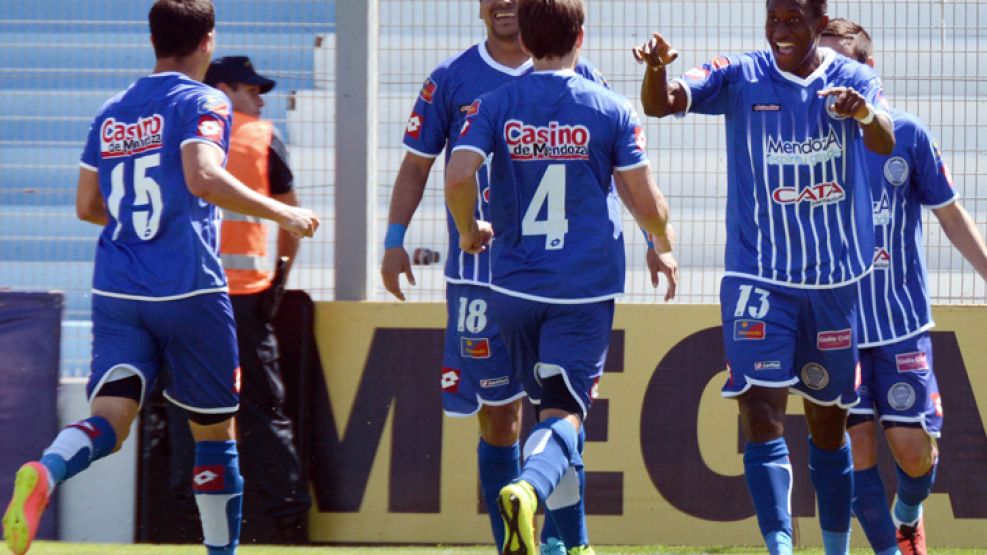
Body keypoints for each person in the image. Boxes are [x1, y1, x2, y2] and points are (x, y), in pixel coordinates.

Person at [1, 2, 318, 554]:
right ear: (207, 41)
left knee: (111, 418)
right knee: (215, 432)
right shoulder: (202, 99)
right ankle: (221, 552)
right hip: (189, 288)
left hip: (119, 288)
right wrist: (282, 214)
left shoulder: (114, 109)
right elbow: (202, 176)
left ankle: (48, 470)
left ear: (153, 39)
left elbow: (86, 206)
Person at [632, 0, 896, 553]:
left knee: (828, 429)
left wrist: (864, 114)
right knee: (758, 408)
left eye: (793, 20)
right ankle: (779, 547)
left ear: (820, 22)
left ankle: (833, 547)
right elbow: (661, 105)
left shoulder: (851, 79)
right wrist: (656, 70)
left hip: (832, 286)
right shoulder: (740, 75)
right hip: (758, 279)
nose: (780, 31)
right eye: (773, 19)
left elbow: (885, 139)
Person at [380, 0, 633, 552]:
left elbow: (605, 169)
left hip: (554, 276)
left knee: (555, 411)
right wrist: (395, 241)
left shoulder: (580, 78)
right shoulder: (451, 78)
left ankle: (564, 544)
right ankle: (512, 545)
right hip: (479, 277)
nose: (502, 5)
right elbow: (417, 165)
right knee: (501, 420)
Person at [446, 0, 678, 552]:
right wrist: (661, 244)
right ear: (582, 34)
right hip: (581, 288)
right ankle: (525, 492)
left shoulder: (495, 102)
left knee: (547, 412)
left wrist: (466, 229)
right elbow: (645, 202)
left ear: (523, 40)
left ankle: (569, 546)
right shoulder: (611, 108)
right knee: (565, 416)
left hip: (512, 289)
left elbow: (457, 175)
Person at [820, 18, 987, 555]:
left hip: (899, 323)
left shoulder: (908, 134)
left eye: (839, 64)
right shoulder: (807, 139)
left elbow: (950, 213)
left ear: (868, 70)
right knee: (858, 448)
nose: (829, 76)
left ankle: (908, 514)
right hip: (836, 325)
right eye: (820, 65)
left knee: (914, 452)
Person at [202, 55, 311, 543]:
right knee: (265, 411)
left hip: (189, 295)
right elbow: (293, 219)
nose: (260, 97)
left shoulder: (180, 136)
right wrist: (280, 280)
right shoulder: (260, 136)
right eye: (250, 88)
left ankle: (189, 520)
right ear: (222, 89)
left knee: (194, 410)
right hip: (246, 298)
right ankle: (287, 522)